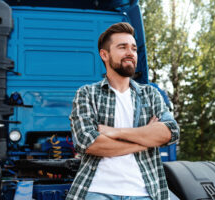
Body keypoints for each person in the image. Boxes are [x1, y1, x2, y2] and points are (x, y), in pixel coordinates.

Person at [66, 22, 180, 200]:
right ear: (104, 54)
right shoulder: (87, 93)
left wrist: (114, 132)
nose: (130, 53)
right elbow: (88, 143)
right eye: (122, 47)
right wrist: (147, 140)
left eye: (133, 48)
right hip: (97, 190)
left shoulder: (150, 94)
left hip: (147, 191)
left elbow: (170, 132)